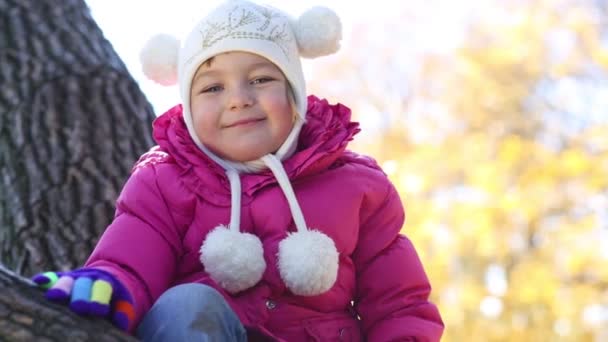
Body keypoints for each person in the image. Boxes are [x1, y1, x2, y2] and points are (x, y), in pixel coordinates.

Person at [32, 0, 444, 340]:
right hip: (209, 329)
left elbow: (399, 303)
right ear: (189, 108)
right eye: (213, 87)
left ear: (295, 93)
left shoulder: (356, 186)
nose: (238, 99)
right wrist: (110, 287)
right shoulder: (164, 181)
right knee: (187, 303)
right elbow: (131, 257)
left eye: (261, 78)